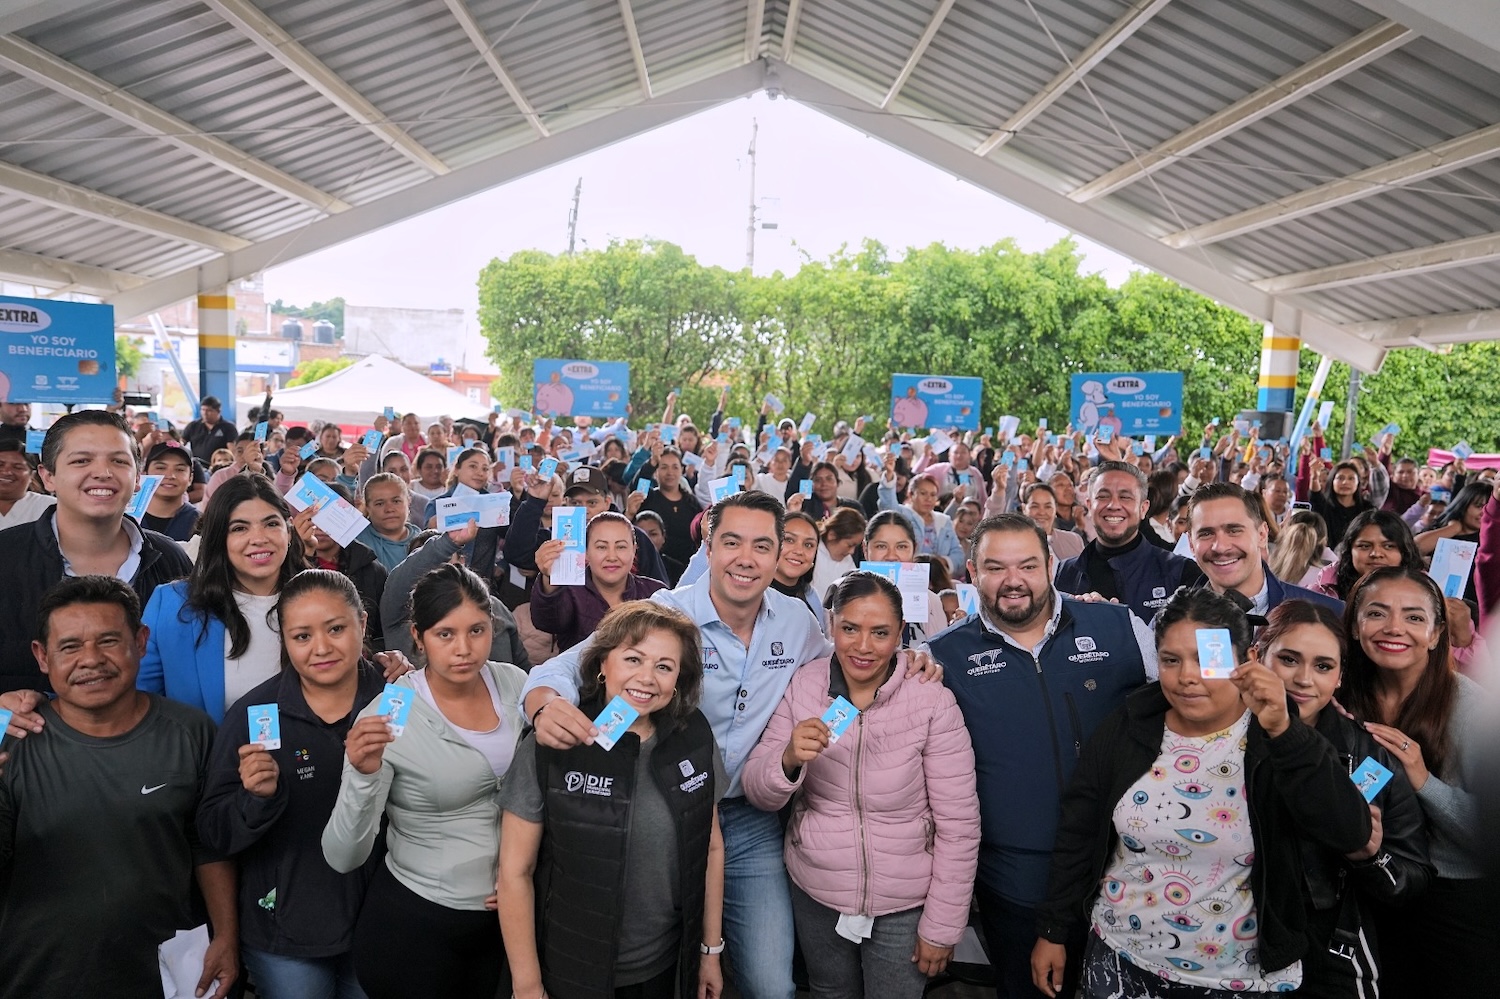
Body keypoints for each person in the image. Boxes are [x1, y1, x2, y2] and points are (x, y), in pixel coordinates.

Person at [521, 490, 942, 999]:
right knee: (643, 956)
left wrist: (909, 658)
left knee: (771, 985)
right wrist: (543, 704)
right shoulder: (667, 612)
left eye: (762, 546)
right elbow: (568, 667)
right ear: (709, 547)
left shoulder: (796, 621)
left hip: (746, 818)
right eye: (732, 542)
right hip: (659, 809)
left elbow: (849, 657)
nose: (746, 558)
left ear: (779, 553)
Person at [1031, 588, 1372, 999]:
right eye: (1171, 660)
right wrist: (1054, 929)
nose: (1187, 676)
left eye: (1204, 659)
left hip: (1237, 980)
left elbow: (1349, 831)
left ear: (1247, 661)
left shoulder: (1276, 738)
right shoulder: (1128, 726)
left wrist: (1285, 732)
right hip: (1120, 959)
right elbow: (1079, 831)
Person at [929, 513, 1158, 999]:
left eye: (1028, 566)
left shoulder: (1120, 626)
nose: (1013, 580)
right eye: (996, 567)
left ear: (1052, 566)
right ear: (972, 572)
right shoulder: (942, 657)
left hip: (1123, 872)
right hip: (1014, 883)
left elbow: (1198, 701)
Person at [743, 571, 979, 999]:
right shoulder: (804, 686)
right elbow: (758, 790)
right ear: (831, 624)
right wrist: (788, 758)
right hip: (817, 890)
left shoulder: (930, 700)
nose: (864, 646)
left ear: (900, 633)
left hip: (904, 902)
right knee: (829, 991)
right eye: (850, 628)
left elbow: (959, 824)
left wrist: (943, 927)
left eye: (880, 632)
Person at [0, 576, 238, 999]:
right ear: (41, 656)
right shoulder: (11, 739)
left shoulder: (191, 732)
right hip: (37, 975)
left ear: (141, 642)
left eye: (109, 641)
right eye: (69, 646)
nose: (91, 660)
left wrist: (226, 936)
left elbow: (209, 845)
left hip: (168, 974)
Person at [498, 602, 727, 999]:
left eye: (664, 666)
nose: (647, 677)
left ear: (679, 678)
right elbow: (515, 871)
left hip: (665, 966)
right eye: (633, 659)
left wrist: (710, 951)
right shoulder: (553, 740)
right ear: (603, 662)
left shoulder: (693, 736)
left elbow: (711, 847)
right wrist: (527, 984)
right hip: (570, 971)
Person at [323, 563, 528, 999]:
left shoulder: (513, 684)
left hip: (507, 923)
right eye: (445, 634)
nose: (463, 649)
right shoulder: (390, 712)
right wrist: (362, 774)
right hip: (417, 925)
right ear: (418, 636)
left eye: (476, 631)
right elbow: (343, 855)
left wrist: (525, 873)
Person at [197, 570, 387, 999]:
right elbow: (211, 834)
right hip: (284, 933)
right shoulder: (255, 715)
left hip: (384, 922)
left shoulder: (397, 698)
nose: (321, 648)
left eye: (335, 629)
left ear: (362, 623)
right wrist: (255, 800)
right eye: (302, 636)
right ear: (284, 639)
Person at [1255, 599, 1433, 994]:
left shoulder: (1370, 758)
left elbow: (1414, 879)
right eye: (1288, 659)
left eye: (1323, 666)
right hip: (1218, 942)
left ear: (1339, 678)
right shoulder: (1216, 739)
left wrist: (1370, 859)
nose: (1304, 679)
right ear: (1257, 657)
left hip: (1329, 952)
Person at [1339, 566, 1497, 993]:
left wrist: (1424, 782)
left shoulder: (1472, 709)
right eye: (1377, 613)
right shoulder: (1339, 699)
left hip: (1454, 901)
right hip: (1365, 887)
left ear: (1435, 633)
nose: (1394, 628)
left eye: (1413, 616)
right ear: (1354, 625)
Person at [0, 409, 192, 692]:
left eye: (119, 461)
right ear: (48, 476)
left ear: (137, 478)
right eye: (81, 460)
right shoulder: (6, 557)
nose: (103, 473)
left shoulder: (169, 559)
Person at [137, 475, 310, 722]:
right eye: (239, 528)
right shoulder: (173, 605)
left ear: (289, 530)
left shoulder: (321, 599)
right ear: (218, 538)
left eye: (271, 524)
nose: (259, 538)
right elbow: (141, 707)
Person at [1055, 461, 1203, 623]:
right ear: (1089, 505)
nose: (1113, 505)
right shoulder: (1065, 572)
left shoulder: (1181, 572)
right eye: (1103, 496)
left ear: (1143, 508)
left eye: (1125, 497)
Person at [1187, 483, 1343, 617]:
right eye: (1206, 534)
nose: (1220, 547)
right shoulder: (1176, 620)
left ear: (1262, 535)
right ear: (1191, 544)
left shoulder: (1329, 614)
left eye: (1234, 530)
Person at [509, 464, 669, 585]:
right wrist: (534, 501)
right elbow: (517, 554)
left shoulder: (636, 538)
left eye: (592, 503)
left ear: (607, 502)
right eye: (576, 503)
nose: (584, 510)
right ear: (566, 503)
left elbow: (658, 588)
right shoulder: (555, 539)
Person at [530, 510, 667, 652]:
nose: (612, 557)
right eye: (602, 547)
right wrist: (550, 578)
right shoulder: (570, 592)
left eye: (621, 547)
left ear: (634, 550)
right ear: (586, 551)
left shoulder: (655, 593)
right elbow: (547, 622)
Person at [862, 510, 947, 641]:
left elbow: (940, 650)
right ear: (865, 549)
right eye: (881, 546)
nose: (891, 556)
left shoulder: (930, 602)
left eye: (901, 547)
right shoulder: (843, 593)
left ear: (914, 549)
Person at [878, 468, 965, 576]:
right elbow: (887, 503)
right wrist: (889, 475)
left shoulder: (944, 520)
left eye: (933, 495)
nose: (928, 499)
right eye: (923, 493)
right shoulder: (900, 514)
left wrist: (943, 562)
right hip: (905, 575)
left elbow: (958, 553)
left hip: (938, 578)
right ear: (911, 495)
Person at [637, 446, 704, 578]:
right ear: (656, 472)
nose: (670, 472)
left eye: (675, 467)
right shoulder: (647, 498)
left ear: (682, 470)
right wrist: (651, 462)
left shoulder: (691, 502)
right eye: (664, 467)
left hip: (688, 571)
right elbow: (639, 483)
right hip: (654, 569)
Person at [355, 472, 422, 571]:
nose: (389, 509)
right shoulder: (355, 540)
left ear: (408, 501)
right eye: (380, 504)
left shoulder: (424, 542)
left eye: (396, 501)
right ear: (367, 507)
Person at [769, 510, 824, 628]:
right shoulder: (753, 596)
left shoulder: (811, 596)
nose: (799, 551)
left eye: (808, 545)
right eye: (789, 540)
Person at [140, 439, 201, 540]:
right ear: (145, 474)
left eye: (180, 469)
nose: (170, 476)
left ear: (190, 478)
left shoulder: (201, 523)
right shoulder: (125, 519)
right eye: (161, 468)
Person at [1309, 459, 1374, 550]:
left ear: (1358, 482)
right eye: (1340, 478)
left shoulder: (1367, 509)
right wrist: (1314, 477)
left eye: (1351, 478)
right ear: (1332, 481)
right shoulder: (1324, 506)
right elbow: (1315, 495)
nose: (1345, 482)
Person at [809, 506, 865, 602]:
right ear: (832, 535)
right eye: (849, 545)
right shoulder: (812, 552)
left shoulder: (848, 561)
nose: (852, 552)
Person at [1021, 482, 1083, 562]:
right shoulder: (1015, 543)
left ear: (1055, 509)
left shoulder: (1074, 540)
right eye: (1035, 506)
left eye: (1048, 507)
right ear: (1024, 509)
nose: (1042, 512)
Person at [0, 437, 52, 529]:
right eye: (0, 465)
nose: (6, 472)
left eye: (17, 467)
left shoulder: (50, 506)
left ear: (32, 475)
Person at [183, 395, 238, 465]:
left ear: (218, 411)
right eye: (203, 410)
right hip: (197, 465)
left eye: (209, 410)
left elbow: (232, 450)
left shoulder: (228, 427)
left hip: (218, 466)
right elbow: (181, 442)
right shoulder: (193, 426)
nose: (205, 413)